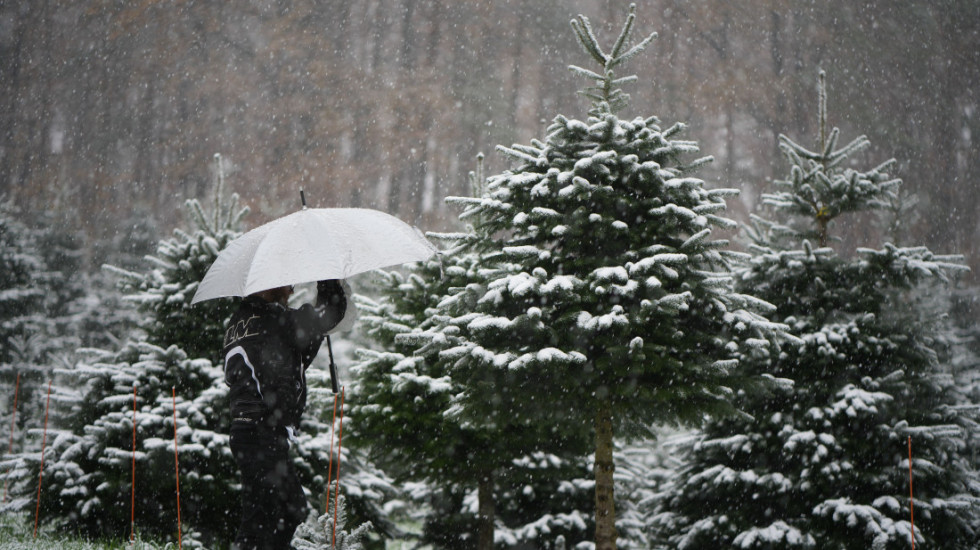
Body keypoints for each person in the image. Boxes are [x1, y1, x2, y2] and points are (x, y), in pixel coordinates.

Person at [223, 279, 350, 550]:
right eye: (287, 284)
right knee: (279, 512)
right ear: (269, 284)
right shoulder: (275, 319)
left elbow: (294, 352)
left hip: (244, 432)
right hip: (264, 432)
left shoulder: (238, 322)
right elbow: (328, 314)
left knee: (271, 512)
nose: (291, 290)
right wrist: (328, 277)